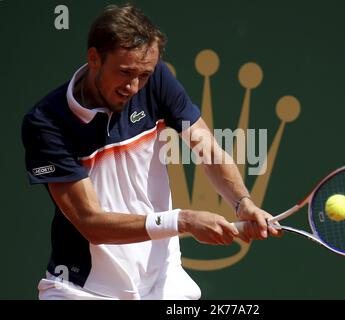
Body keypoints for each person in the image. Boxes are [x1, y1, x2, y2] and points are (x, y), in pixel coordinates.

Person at [21, 4, 279, 300]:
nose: (133, 86)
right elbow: (90, 221)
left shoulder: (155, 80)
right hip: (82, 291)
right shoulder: (47, 122)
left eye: (143, 74)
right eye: (125, 72)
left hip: (162, 284)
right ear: (94, 58)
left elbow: (207, 148)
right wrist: (183, 220)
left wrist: (242, 202)